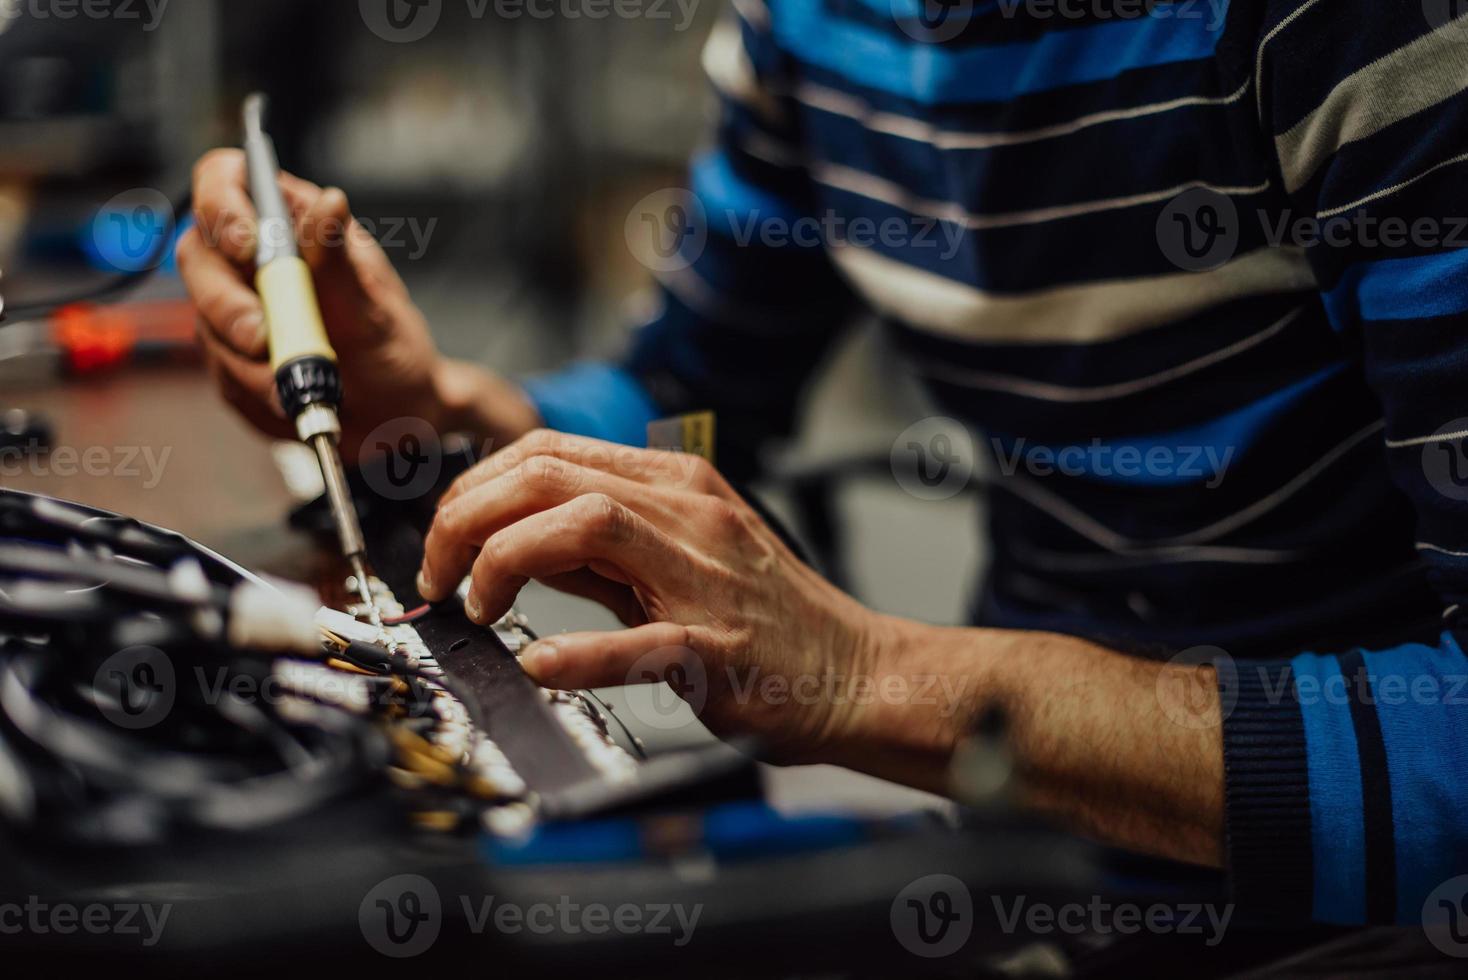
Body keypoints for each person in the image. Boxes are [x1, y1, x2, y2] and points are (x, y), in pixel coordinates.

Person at [178, 0, 1468, 934]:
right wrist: (434, 409)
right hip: (1032, 857)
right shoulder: (815, 22)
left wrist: (870, 674)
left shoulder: (1365, 35)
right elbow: (692, 400)